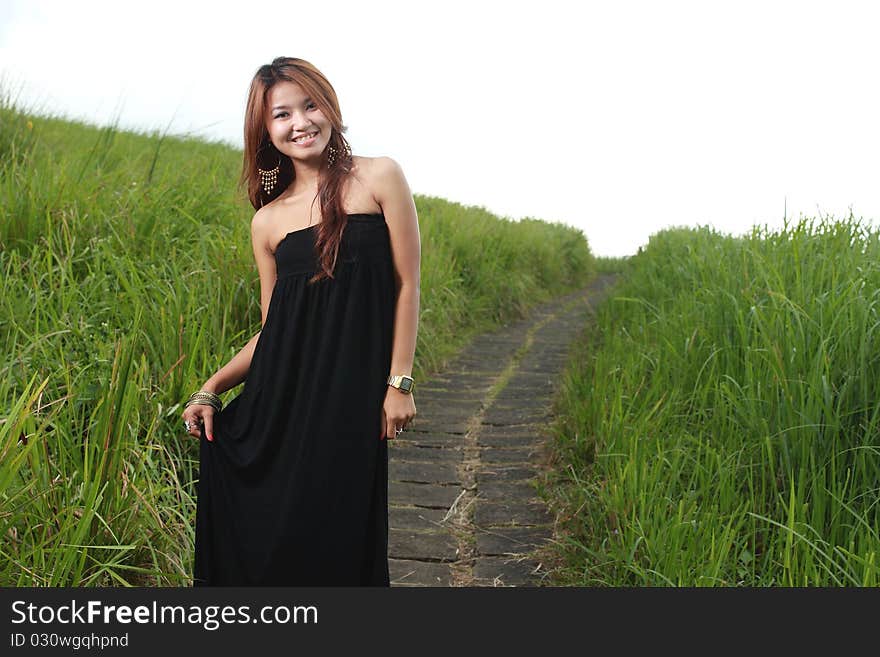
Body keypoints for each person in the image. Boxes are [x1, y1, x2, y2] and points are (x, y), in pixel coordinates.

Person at [181, 56, 420, 586]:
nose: (300, 122)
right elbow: (274, 330)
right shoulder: (266, 221)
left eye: (309, 105)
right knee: (274, 542)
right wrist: (212, 387)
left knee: (340, 531)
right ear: (266, 132)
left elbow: (407, 285)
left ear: (329, 107)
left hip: (351, 401)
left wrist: (398, 380)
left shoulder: (379, 176)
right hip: (279, 404)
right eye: (282, 114)